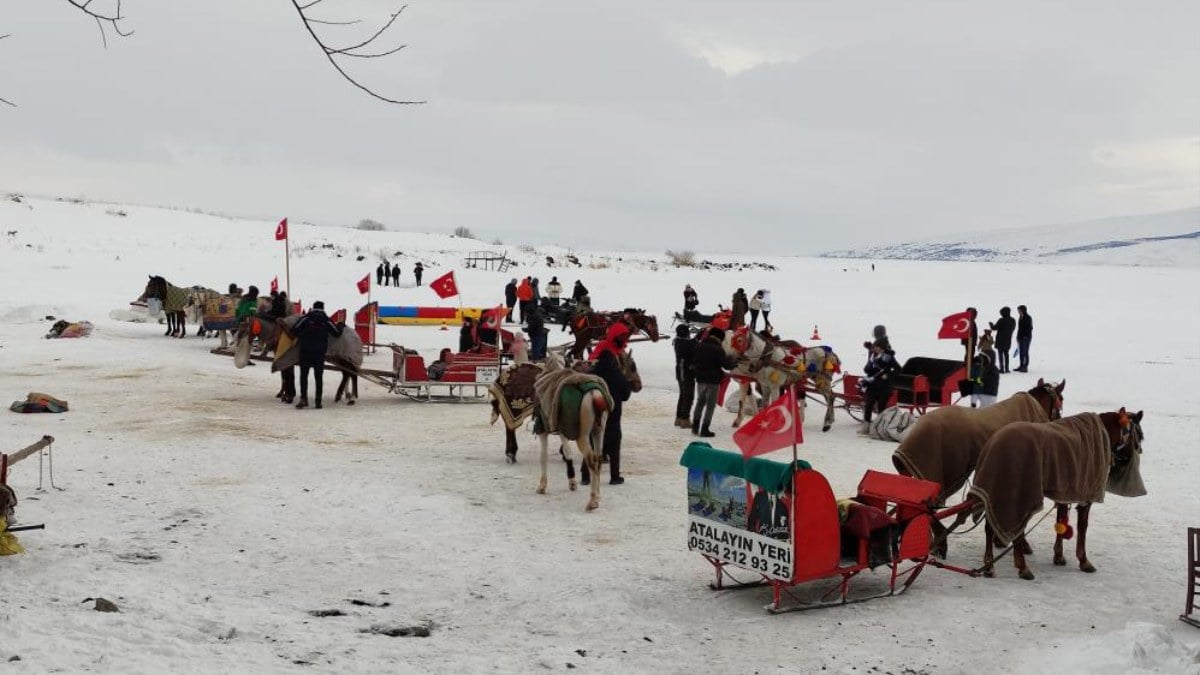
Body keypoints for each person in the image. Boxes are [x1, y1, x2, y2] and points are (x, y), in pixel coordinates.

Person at [581, 323, 632, 486]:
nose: (624, 340)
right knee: (614, 440)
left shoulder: (593, 373)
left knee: (591, 440)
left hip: (593, 411)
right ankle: (614, 476)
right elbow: (626, 394)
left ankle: (585, 475)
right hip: (613, 412)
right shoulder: (617, 374)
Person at [291, 301, 343, 409]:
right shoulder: (326, 320)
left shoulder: (306, 318)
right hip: (319, 353)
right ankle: (318, 401)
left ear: (313, 308)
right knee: (318, 377)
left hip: (305, 351)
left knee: (304, 376)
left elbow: (294, 330)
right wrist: (340, 325)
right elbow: (337, 333)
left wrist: (303, 336)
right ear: (323, 308)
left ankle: (303, 399)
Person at [692, 327, 734, 437]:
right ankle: (705, 428)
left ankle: (695, 426)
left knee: (700, 402)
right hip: (713, 381)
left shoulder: (699, 345)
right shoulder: (718, 349)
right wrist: (733, 361)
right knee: (710, 405)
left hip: (700, 379)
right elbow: (726, 365)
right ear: (720, 338)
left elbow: (694, 360)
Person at [858, 335, 899, 434]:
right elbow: (866, 369)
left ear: (882, 348)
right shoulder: (872, 356)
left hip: (884, 387)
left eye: (877, 347)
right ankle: (866, 426)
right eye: (875, 347)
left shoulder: (888, 358)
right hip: (872, 385)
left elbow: (898, 369)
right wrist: (869, 368)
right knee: (868, 405)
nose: (875, 348)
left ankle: (879, 428)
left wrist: (888, 375)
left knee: (881, 408)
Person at [271, 291, 296, 404]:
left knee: (288, 371)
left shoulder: (277, 303)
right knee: (288, 372)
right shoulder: (289, 304)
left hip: (287, 350)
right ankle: (288, 392)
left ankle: (289, 393)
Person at [673, 323, 696, 428]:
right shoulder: (683, 343)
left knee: (683, 395)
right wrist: (699, 336)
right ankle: (684, 419)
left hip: (681, 372)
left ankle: (679, 418)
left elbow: (691, 343)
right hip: (685, 373)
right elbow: (692, 344)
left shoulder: (678, 341)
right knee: (688, 396)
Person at [970, 331, 1001, 408]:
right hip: (981, 392)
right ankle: (973, 405)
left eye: (982, 359)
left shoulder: (993, 371)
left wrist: (977, 381)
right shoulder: (981, 368)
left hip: (988, 395)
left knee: (984, 410)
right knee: (972, 387)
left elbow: (984, 382)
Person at [989, 307, 1016, 373]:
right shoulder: (1013, 320)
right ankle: (1007, 368)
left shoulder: (1001, 320)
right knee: (1006, 354)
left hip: (1000, 339)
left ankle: (1002, 368)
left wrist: (991, 324)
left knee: (1000, 354)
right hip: (1008, 339)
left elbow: (994, 328)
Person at [1015, 305, 1033, 372]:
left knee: (1025, 352)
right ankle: (1021, 365)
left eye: (1019, 310)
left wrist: (1025, 336)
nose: (1018, 312)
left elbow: (1030, 328)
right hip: (1020, 337)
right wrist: (1018, 336)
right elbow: (1020, 329)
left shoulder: (1028, 317)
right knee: (1021, 352)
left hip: (1026, 338)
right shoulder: (1020, 317)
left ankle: (1025, 366)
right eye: (1018, 310)